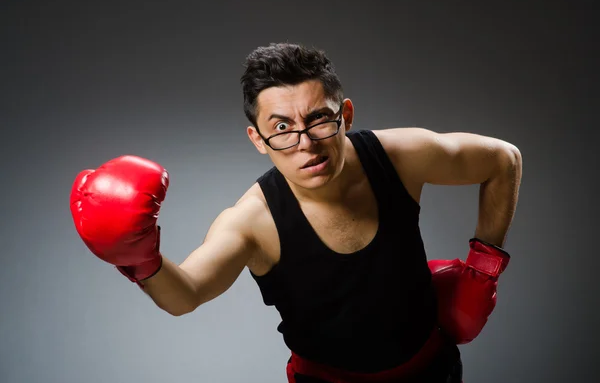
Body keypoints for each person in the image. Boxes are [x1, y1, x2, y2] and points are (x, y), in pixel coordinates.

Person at [70, 42, 522, 382]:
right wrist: (139, 260)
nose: (305, 143)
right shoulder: (252, 221)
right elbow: (185, 294)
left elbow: (503, 160)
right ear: (257, 139)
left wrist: (485, 266)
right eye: (282, 127)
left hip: (433, 371)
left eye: (319, 119)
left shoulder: (399, 157)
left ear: (344, 114)